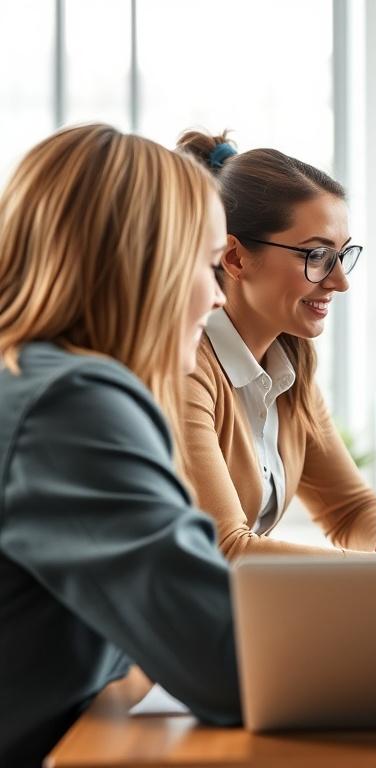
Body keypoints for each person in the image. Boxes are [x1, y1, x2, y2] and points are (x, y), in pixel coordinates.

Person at [0, 124, 241, 766]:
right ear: (146, 262)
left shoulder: (24, 379)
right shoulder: (71, 402)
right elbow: (228, 659)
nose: (218, 298)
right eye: (209, 264)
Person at [175, 132, 376, 560]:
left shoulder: (289, 367)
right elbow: (226, 549)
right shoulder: (186, 369)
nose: (340, 281)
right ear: (236, 258)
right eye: (316, 256)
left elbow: (351, 509)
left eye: (342, 255)